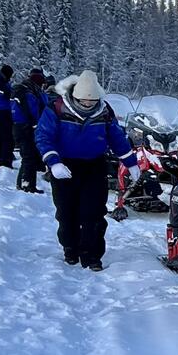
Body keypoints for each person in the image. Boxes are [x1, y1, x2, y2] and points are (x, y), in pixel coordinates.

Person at [36, 70, 135, 269]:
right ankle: (70, 248)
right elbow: (44, 136)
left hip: (94, 165)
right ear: (75, 96)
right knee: (66, 212)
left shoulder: (104, 111)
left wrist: (130, 162)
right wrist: (54, 162)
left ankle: (92, 254)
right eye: (84, 101)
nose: (88, 104)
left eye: (92, 101)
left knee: (94, 212)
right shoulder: (57, 108)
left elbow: (116, 136)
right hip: (65, 165)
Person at [10, 66, 50, 192]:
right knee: (29, 156)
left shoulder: (24, 90)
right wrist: (37, 124)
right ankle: (26, 184)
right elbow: (34, 110)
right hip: (27, 127)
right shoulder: (30, 92)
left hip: (20, 126)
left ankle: (25, 183)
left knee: (28, 156)